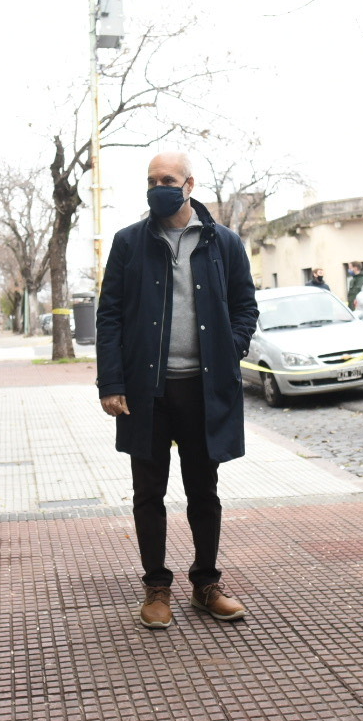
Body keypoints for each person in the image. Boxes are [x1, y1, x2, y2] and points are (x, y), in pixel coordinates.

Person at [96, 151, 259, 628]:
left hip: (203, 389)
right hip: (146, 391)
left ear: (189, 185)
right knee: (148, 493)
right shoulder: (129, 242)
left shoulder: (224, 242)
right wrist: (112, 382)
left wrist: (229, 350)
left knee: (203, 491)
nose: (157, 188)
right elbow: (109, 316)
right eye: (151, 181)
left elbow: (245, 305)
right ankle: (156, 587)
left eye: (167, 180)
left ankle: (206, 584)